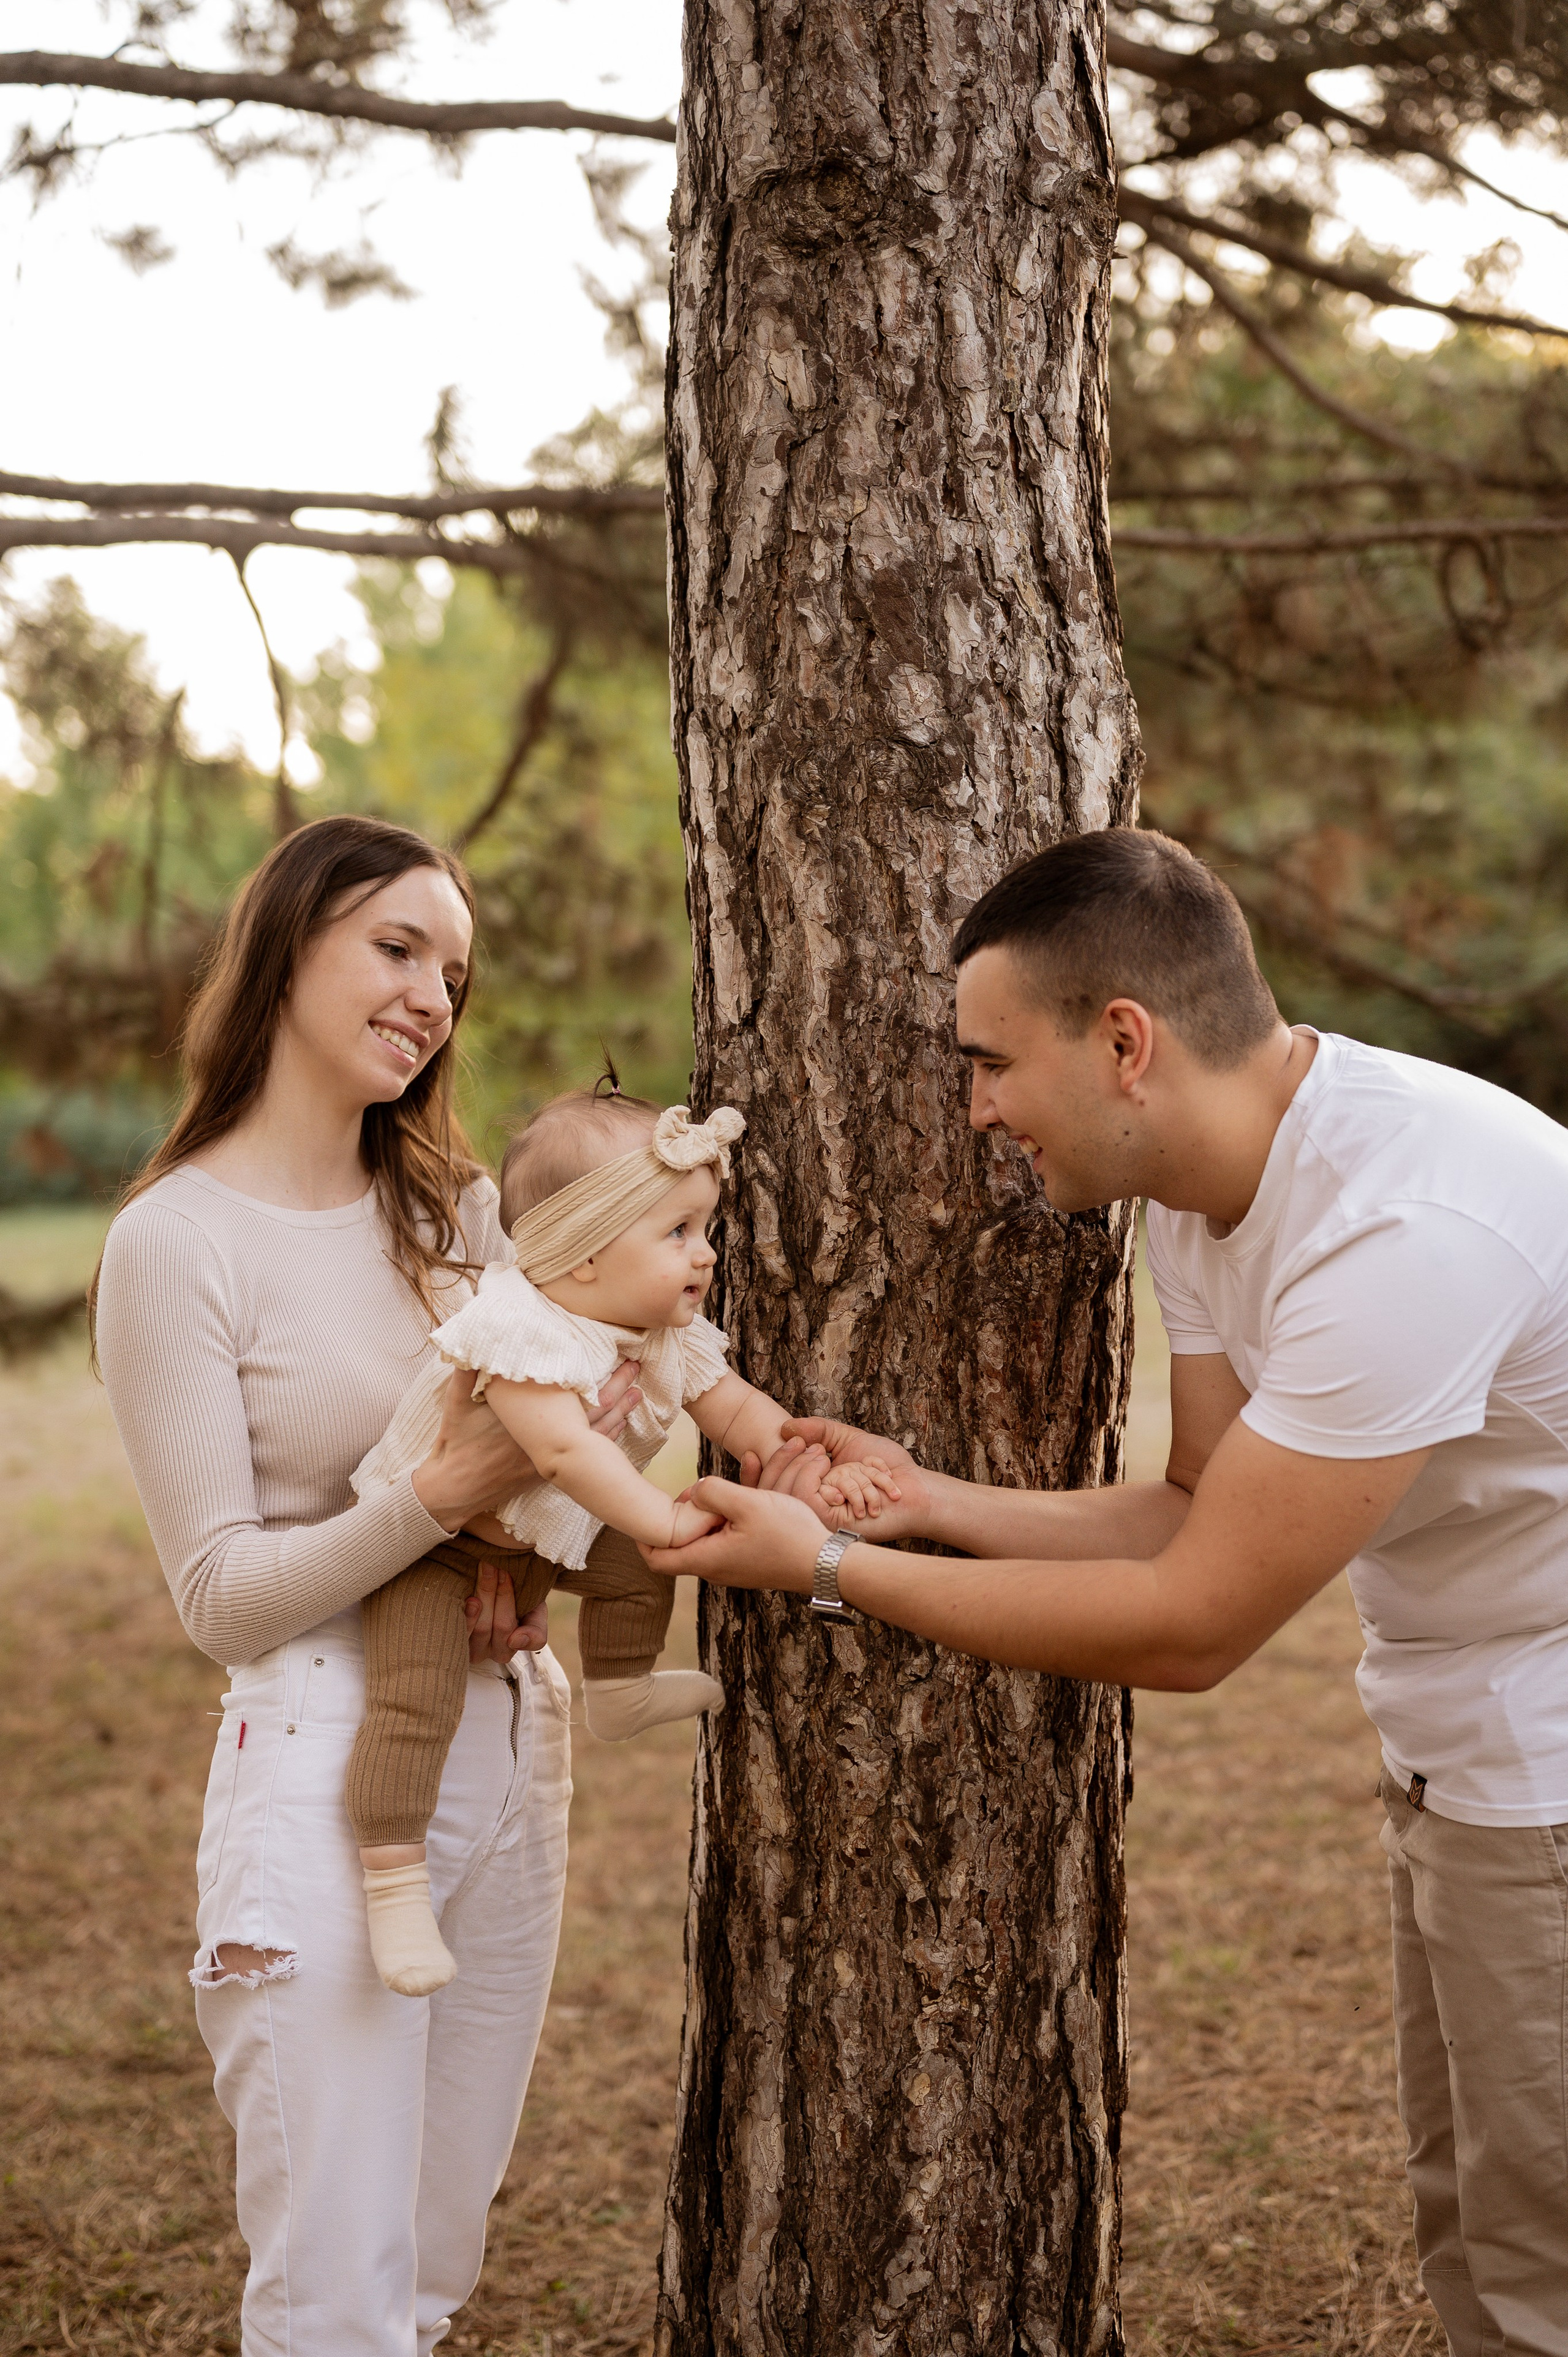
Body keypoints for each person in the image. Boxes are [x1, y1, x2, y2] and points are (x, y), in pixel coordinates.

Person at [651, 826, 1568, 2357]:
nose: (975, 1108)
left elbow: (1191, 1624)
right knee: (1473, 2218)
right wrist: (924, 1499)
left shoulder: (1401, 1233)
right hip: (1458, 1748)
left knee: (1540, 2257)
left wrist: (825, 1567)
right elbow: (1190, 1504)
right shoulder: (1208, 1193)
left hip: (1540, 1776)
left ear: (1123, 1043)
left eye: (990, 1062)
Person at [94, 814, 640, 2357]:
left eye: (452, 973)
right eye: (396, 948)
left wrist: (525, 1556)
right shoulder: (175, 1242)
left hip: (512, 1743)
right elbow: (220, 1596)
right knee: (336, 2302)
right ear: (285, 945)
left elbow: (547, 1443)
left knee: (429, 2266)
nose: (429, 998)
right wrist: (438, 1497)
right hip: (324, 1761)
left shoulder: (460, 1213)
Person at [347, 1079, 894, 1996]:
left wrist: (805, 1459)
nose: (706, 1253)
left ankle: (620, 1688)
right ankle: (394, 1882)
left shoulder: (656, 1329)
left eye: (705, 1228)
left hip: (538, 1534)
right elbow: (562, 1452)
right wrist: (663, 1512)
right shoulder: (518, 1331)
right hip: (429, 1549)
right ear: (585, 1255)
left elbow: (737, 1408)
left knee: (646, 1564)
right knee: (416, 1700)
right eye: (677, 1232)